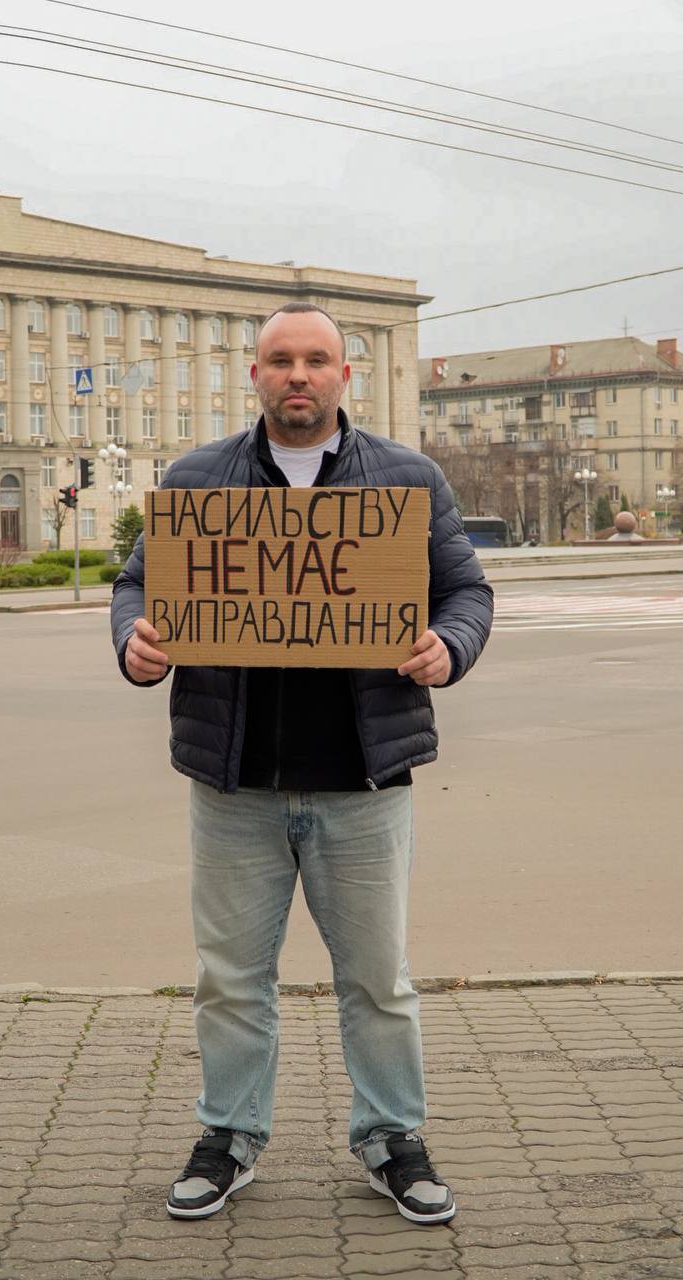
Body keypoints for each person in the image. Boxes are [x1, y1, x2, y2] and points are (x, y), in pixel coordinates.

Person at [111, 302, 493, 1226]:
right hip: (233, 782)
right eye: (279, 360)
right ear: (254, 374)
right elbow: (136, 585)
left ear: (343, 375)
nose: (297, 376)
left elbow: (467, 590)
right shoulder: (198, 479)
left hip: (362, 782)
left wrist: (449, 644)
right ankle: (230, 1135)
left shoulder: (405, 478)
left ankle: (391, 1137)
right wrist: (135, 642)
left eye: (315, 360)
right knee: (232, 979)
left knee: (378, 980)